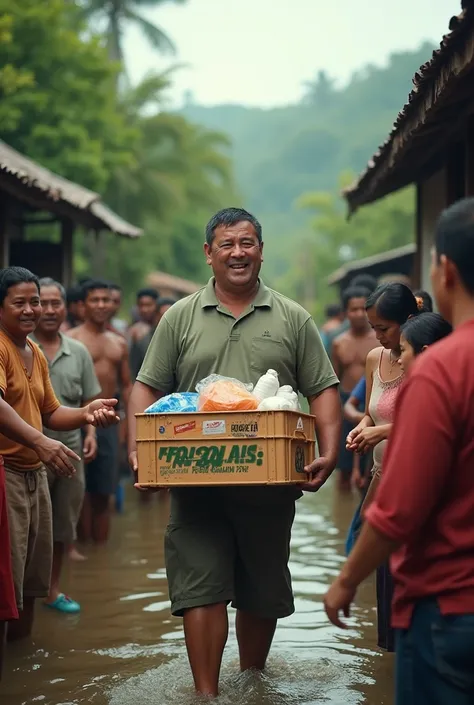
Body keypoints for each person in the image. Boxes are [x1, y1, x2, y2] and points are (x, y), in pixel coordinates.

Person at [128, 207, 341, 697]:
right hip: (194, 481)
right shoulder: (179, 316)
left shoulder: (292, 317)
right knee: (199, 586)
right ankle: (207, 694)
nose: (238, 253)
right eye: (227, 244)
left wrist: (328, 453)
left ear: (261, 250)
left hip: (269, 485)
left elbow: (323, 387)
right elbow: (146, 388)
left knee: (261, 587)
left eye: (247, 243)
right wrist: (142, 452)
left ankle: (250, 682)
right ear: (209, 254)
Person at [324, 197, 474, 705]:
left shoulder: (441, 366)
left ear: (446, 270)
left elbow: (400, 507)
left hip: (448, 596)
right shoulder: (402, 362)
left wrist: (346, 579)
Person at [0, 267, 119, 641]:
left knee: (34, 583)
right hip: (6, 474)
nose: (31, 309)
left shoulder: (31, 349)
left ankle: (25, 668)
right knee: (7, 586)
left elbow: (52, 411)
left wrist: (86, 413)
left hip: (34, 473)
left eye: (34, 301)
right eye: (19, 302)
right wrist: (40, 441)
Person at [345, 282, 423, 652]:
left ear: (408, 320)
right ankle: (389, 665)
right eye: (374, 328)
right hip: (380, 479)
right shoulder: (376, 358)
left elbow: (429, 421)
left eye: (384, 328)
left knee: (410, 574)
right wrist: (363, 429)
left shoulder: (424, 358)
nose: (377, 336)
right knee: (385, 576)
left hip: (414, 483)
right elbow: (369, 413)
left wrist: (380, 432)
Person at [31, 278, 101, 613]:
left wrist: (91, 435)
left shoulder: (79, 351)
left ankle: (52, 590)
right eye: (41, 302)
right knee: (30, 526)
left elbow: (90, 401)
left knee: (62, 524)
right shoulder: (21, 347)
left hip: (71, 445)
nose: (49, 310)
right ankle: (24, 594)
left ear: (66, 307)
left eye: (55, 303)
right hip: (30, 448)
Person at [69, 279, 131, 543]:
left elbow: (127, 387)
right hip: (72, 418)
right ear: (83, 305)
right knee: (77, 491)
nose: (102, 305)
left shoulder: (118, 343)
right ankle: (81, 552)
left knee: (104, 492)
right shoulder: (70, 341)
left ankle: (100, 554)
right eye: (95, 300)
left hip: (109, 421)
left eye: (106, 300)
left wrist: (127, 433)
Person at [331, 286, 378, 491]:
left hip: (373, 404)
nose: (359, 314)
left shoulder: (380, 338)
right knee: (344, 468)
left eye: (362, 309)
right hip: (346, 403)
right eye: (353, 309)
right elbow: (334, 380)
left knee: (372, 467)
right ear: (346, 312)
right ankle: (342, 518)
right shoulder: (339, 343)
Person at [130, 296, 177, 382]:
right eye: (164, 315)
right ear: (156, 316)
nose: (168, 320)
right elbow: (134, 373)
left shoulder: (183, 342)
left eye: (172, 316)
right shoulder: (143, 342)